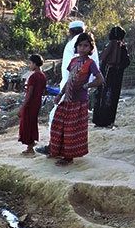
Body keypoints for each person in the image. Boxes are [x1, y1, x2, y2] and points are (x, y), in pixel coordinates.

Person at [40, 19, 100, 154]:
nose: (82, 48)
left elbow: (71, 74)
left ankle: (55, 148)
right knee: (73, 124)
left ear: (71, 31)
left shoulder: (72, 45)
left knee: (58, 120)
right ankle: (59, 149)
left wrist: (64, 92)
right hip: (80, 90)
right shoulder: (90, 45)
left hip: (72, 90)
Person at [49, 32, 104, 166]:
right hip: (68, 99)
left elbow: (100, 79)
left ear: (91, 48)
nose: (82, 48)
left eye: (86, 45)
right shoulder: (73, 61)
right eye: (80, 45)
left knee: (71, 129)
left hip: (79, 101)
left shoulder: (90, 63)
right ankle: (57, 151)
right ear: (76, 47)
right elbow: (69, 79)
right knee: (58, 124)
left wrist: (87, 85)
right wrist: (59, 95)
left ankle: (68, 157)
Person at [92, 26, 130, 128]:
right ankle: (108, 121)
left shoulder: (108, 46)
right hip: (115, 77)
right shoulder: (121, 47)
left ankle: (98, 120)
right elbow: (126, 62)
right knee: (111, 98)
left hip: (104, 75)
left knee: (101, 96)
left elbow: (103, 60)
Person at [18, 53, 47, 155]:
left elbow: (29, 94)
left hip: (30, 104)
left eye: (30, 63)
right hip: (37, 103)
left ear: (35, 64)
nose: (29, 65)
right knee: (32, 123)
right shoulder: (43, 76)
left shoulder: (33, 77)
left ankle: (30, 147)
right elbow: (43, 91)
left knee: (26, 124)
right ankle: (32, 143)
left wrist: (22, 107)